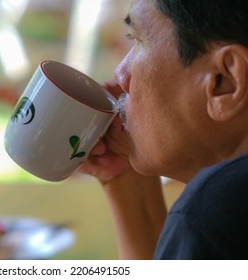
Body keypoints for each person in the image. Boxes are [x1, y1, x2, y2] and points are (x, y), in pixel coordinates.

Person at [79, 0, 248, 259]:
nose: (121, 75)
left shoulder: (217, 216)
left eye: (137, 40)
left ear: (224, 81)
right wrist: (125, 179)